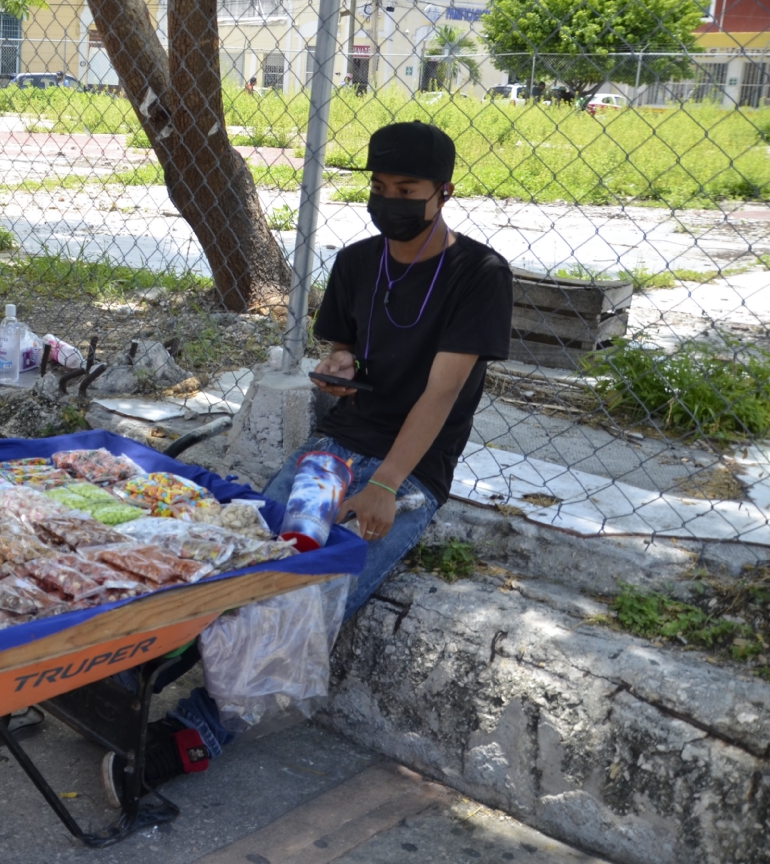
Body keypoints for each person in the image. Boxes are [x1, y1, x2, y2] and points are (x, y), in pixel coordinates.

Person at [89, 121, 513, 806]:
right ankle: (138, 674)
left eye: (407, 190)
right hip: (334, 448)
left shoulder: (478, 274)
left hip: (405, 469)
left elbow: (442, 395)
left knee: (308, 593)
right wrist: (334, 371)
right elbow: (340, 356)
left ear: (444, 192)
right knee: (248, 558)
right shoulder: (355, 261)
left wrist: (384, 483)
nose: (390, 201)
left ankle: (199, 731)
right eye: (379, 187)